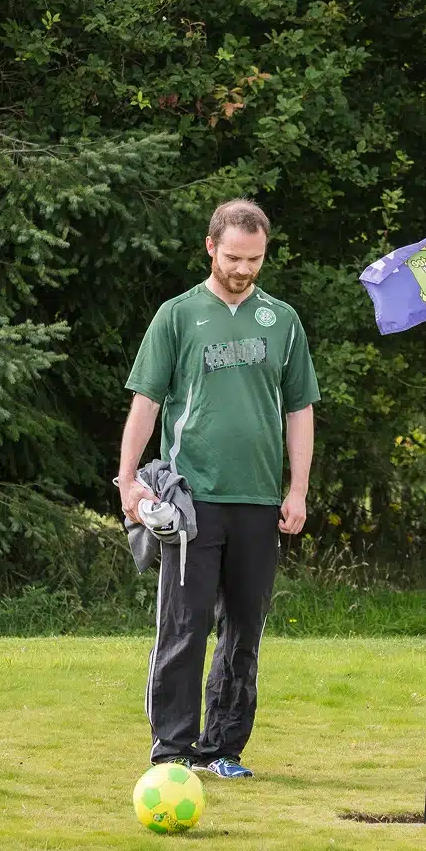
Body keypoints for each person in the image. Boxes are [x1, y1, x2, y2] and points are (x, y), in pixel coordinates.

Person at [118, 199, 320, 778]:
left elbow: (300, 408)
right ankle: (173, 750)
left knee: (244, 633)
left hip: (258, 501)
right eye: (233, 257)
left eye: (254, 260)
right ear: (211, 247)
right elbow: (147, 401)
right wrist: (129, 479)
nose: (243, 269)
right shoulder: (177, 315)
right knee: (185, 628)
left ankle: (223, 749)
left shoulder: (282, 321)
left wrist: (297, 488)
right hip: (190, 501)